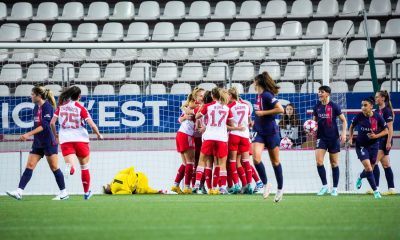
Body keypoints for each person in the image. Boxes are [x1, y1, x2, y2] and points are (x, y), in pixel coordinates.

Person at [6, 86, 68, 200]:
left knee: (54, 167)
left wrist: (28, 134)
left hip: (49, 142)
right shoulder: (36, 107)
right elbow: (37, 125)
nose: (31, 96)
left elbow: (44, 126)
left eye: (32, 94)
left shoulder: (48, 107)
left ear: (39, 96)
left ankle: (64, 193)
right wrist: (32, 136)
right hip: (38, 142)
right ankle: (19, 191)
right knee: (29, 166)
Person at [50, 86, 103, 200]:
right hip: (81, 140)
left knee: (70, 165)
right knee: (84, 167)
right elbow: (92, 124)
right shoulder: (81, 108)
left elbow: (52, 123)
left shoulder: (61, 108)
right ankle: (86, 193)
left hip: (66, 140)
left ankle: (69, 169)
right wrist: (98, 134)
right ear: (79, 96)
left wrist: (56, 135)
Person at [192, 87, 233, 194]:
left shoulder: (207, 106)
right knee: (222, 164)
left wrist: (201, 109)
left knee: (202, 161)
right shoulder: (226, 108)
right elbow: (231, 123)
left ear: (212, 96)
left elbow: (196, 116)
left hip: (209, 136)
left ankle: (196, 185)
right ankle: (223, 187)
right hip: (222, 138)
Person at [252, 71, 285, 202]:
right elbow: (259, 114)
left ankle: (280, 189)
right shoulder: (258, 96)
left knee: (275, 162)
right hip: (259, 131)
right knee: (256, 158)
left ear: (258, 82)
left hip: (271, 132)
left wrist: (263, 113)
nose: (253, 83)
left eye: (254, 81)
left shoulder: (267, 95)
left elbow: (280, 109)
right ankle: (266, 184)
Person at [349, 96, 388, 199]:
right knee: (369, 167)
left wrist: (376, 136)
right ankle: (376, 192)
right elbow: (352, 126)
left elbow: (386, 131)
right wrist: (350, 138)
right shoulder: (359, 116)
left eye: (365, 105)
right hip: (361, 146)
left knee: (370, 168)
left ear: (371, 106)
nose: (363, 107)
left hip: (374, 146)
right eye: (362, 105)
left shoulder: (378, 117)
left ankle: (360, 176)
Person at [312, 85, 347, 196]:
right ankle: (325, 186)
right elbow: (314, 123)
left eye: (321, 92)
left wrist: (343, 133)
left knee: (334, 163)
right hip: (321, 138)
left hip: (333, 138)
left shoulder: (334, 106)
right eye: (319, 92)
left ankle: (335, 188)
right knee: (319, 162)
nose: (319, 94)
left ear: (327, 94)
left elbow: (344, 121)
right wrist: (311, 129)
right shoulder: (316, 107)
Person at [171, 88, 204, 194]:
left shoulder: (191, 106)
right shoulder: (197, 106)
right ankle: (187, 186)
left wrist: (185, 114)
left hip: (181, 134)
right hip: (186, 135)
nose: (202, 98)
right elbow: (181, 118)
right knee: (191, 162)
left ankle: (176, 185)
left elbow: (179, 119)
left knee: (185, 163)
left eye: (203, 95)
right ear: (195, 98)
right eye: (200, 96)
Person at [369, 90, 396, 195]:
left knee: (374, 163)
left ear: (383, 98)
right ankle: (391, 189)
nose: (376, 99)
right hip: (378, 140)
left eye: (377, 97)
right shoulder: (376, 111)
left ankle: (375, 188)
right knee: (385, 164)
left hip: (385, 141)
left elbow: (390, 128)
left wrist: (388, 142)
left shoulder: (387, 111)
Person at [227, 87, 253, 194]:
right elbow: (250, 122)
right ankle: (249, 185)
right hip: (245, 136)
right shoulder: (246, 106)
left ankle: (237, 185)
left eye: (227, 95)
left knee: (232, 161)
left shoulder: (229, 107)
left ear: (231, 96)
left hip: (234, 135)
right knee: (246, 161)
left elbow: (228, 124)